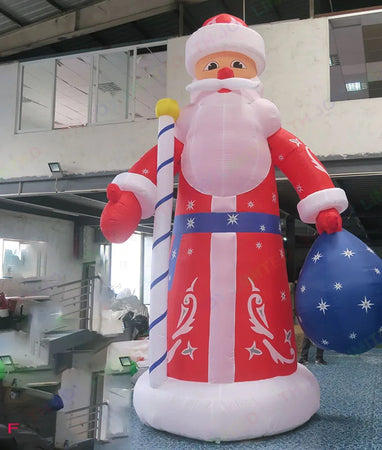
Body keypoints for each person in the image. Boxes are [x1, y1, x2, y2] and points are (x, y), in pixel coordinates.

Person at [101, 13, 348, 440]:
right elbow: (156, 165)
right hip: (192, 242)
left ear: (252, 70)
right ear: (198, 72)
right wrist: (130, 199)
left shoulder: (265, 121)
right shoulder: (182, 127)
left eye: (236, 63)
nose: (225, 72)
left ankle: (266, 372)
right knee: (191, 307)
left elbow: (298, 158)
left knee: (260, 304)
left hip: (258, 243)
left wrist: (322, 202)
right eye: (213, 64)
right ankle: (186, 372)